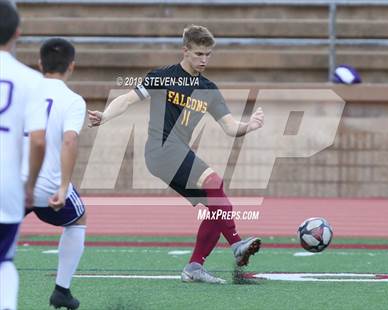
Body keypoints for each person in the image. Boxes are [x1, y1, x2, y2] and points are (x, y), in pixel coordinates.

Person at [88, 25, 264, 284]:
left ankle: (194, 267)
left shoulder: (209, 89)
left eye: (208, 54)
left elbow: (229, 127)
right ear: (185, 51)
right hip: (161, 149)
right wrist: (105, 116)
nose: (204, 60)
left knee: (219, 206)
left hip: (176, 152)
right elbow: (126, 99)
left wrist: (248, 126)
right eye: (198, 54)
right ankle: (237, 244)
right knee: (214, 183)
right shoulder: (164, 77)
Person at [23, 38, 86, 309]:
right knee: (78, 218)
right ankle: (62, 290)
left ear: (40, 63)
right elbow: (70, 142)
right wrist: (63, 187)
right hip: (45, 188)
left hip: (10, 183)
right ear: (71, 66)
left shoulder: (23, 91)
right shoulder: (72, 100)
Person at [0, 1, 46, 309]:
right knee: (4, 262)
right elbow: (39, 141)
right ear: (18, 32)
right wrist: (29, 186)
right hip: (7, 186)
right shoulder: (32, 80)